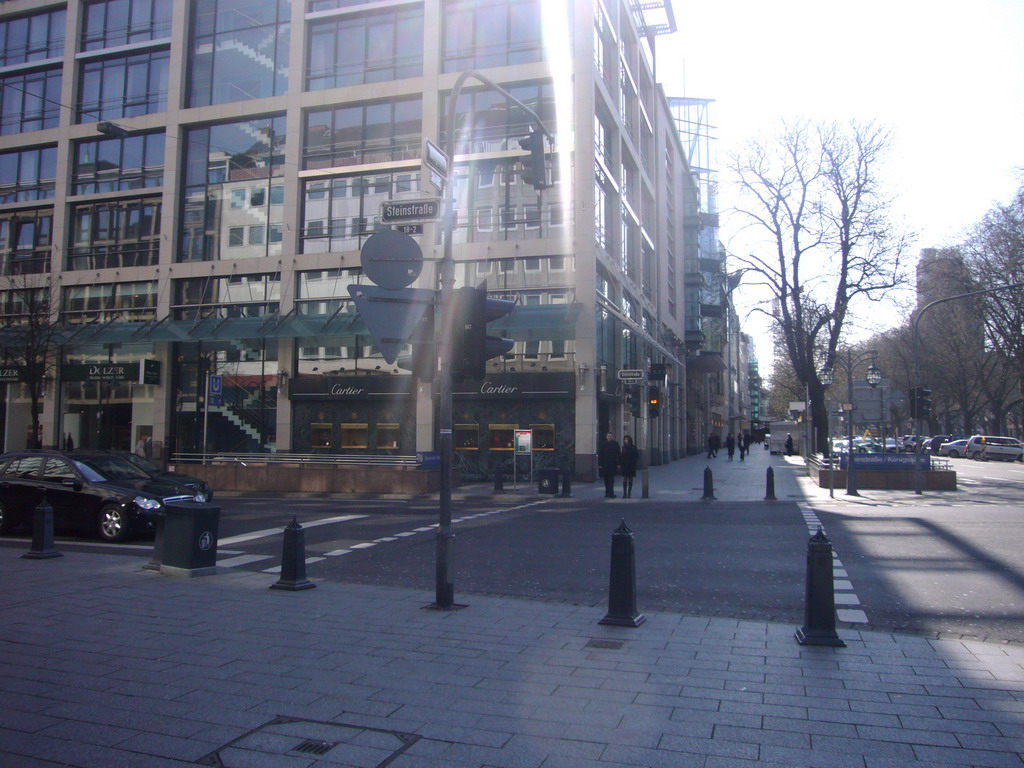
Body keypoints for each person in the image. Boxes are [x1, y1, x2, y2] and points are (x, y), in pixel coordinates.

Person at [598, 431, 621, 498]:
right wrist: (600, 464)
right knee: (605, 479)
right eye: (608, 436)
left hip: (612, 464)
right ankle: (607, 492)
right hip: (605, 465)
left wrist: (618, 463)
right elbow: (600, 455)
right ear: (606, 437)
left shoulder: (616, 444)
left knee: (612, 479)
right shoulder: (603, 444)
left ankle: (611, 492)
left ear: (612, 437)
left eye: (610, 436)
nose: (609, 437)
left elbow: (618, 454)